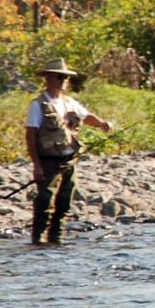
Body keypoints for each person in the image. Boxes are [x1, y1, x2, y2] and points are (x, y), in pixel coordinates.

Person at [24, 59, 113, 245]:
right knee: (45, 203)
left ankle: (56, 241)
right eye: (59, 77)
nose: (63, 81)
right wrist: (37, 166)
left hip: (69, 161)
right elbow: (31, 136)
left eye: (66, 78)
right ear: (48, 78)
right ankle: (38, 242)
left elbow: (86, 116)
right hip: (48, 162)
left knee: (64, 204)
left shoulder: (69, 102)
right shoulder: (37, 105)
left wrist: (102, 123)